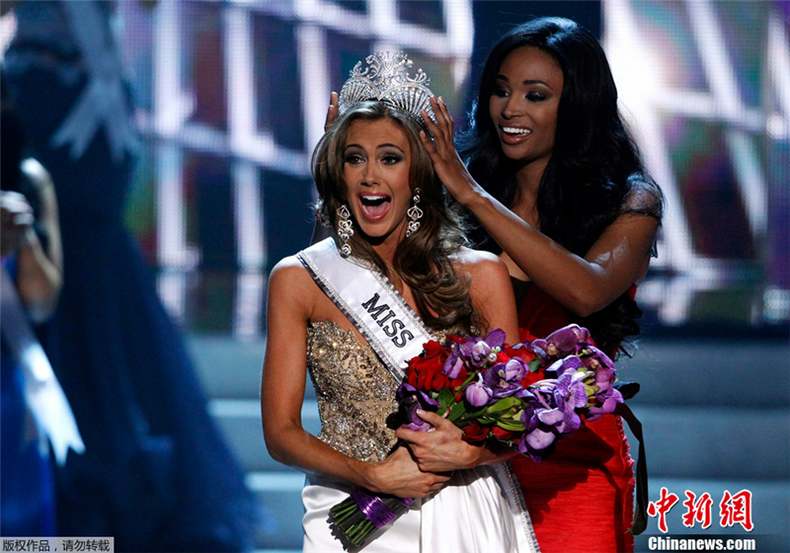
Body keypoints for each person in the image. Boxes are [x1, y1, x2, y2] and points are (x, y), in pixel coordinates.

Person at [2, 1, 257, 550]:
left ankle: (102, 502)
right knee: (44, 248)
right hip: (33, 94)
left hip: (96, 105)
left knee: (94, 261)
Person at [262, 52, 540, 553]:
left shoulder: (481, 275)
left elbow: (515, 418)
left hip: (462, 509)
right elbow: (281, 433)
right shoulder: (299, 279)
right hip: (349, 513)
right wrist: (374, 475)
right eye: (354, 158)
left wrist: (466, 453)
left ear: (418, 173)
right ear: (338, 172)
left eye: (389, 158)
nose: (370, 176)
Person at [409, 17, 663, 553]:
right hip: (465, 460)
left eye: (536, 95)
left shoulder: (629, 199)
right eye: (501, 90)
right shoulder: (460, 189)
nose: (511, 109)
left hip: (572, 466)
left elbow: (587, 290)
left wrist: (474, 195)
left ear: (578, 106)